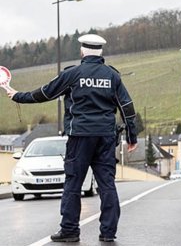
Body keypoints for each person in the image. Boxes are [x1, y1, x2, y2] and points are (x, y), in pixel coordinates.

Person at [8, 34, 138, 243]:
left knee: (73, 183)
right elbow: (127, 108)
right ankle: (108, 232)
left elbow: (45, 93)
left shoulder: (73, 74)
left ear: (82, 51)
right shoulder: (112, 76)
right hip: (106, 136)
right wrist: (132, 136)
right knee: (107, 185)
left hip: (80, 136)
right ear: (101, 52)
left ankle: (69, 230)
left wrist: (17, 95)